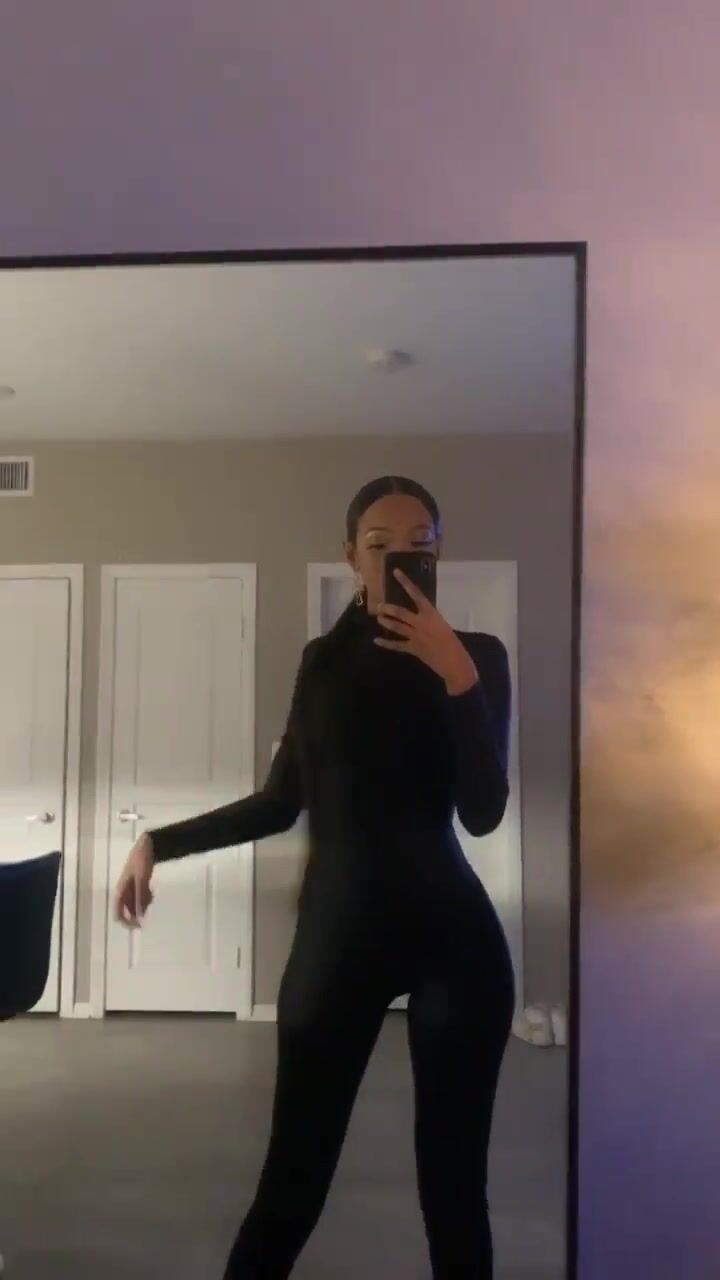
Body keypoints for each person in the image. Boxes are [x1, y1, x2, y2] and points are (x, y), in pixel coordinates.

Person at [114, 475, 515, 1279]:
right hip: (340, 935)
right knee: (292, 1182)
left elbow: (482, 814)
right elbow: (279, 802)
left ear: (439, 552)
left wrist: (457, 678)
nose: (401, 556)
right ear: (351, 555)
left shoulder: (478, 657)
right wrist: (158, 841)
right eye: (380, 543)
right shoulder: (323, 665)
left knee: (454, 1191)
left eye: (420, 543)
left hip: (456, 942)